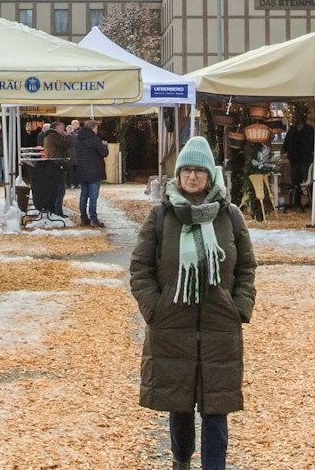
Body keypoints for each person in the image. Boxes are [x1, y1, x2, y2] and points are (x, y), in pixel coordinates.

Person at [129, 137, 256, 470]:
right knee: (179, 405)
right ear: (178, 174)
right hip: (173, 325)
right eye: (187, 170)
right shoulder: (161, 217)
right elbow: (140, 268)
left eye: (200, 170)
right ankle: (181, 461)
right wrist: (155, 308)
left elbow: (245, 266)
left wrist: (239, 306)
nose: (193, 177)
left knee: (216, 409)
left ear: (210, 175)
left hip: (219, 327)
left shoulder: (230, 216)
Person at [72, 119, 111, 227]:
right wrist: (105, 145)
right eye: (97, 128)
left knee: (84, 195)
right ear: (94, 128)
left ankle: (83, 217)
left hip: (82, 170)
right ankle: (93, 218)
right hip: (94, 170)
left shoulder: (78, 139)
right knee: (93, 195)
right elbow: (103, 153)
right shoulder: (95, 139)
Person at [283, 112, 314, 208]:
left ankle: (311, 201)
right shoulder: (292, 130)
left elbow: (312, 144)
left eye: (295, 118)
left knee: (307, 181)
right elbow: (286, 143)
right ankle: (296, 202)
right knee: (295, 181)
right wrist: (284, 151)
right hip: (294, 159)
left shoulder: (309, 130)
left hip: (305, 159)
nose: (293, 120)